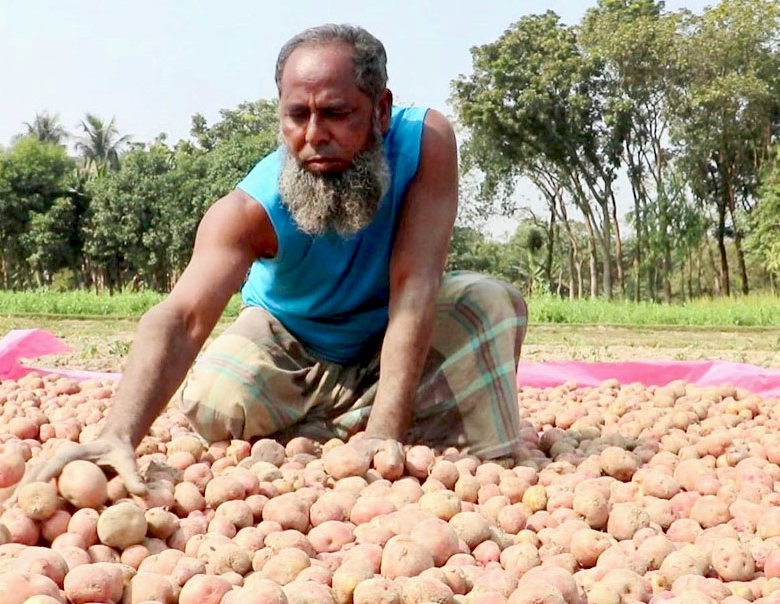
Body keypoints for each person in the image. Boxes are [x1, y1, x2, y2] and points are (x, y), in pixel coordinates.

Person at [28, 24, 528, 492]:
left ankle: (362, 423)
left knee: (487, 303)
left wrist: (384, 436)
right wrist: (118, 432)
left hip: (389, 338)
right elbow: (182, 316)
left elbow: (415, 283)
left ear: (379, 111)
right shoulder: (249, 211)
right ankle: (390, 419)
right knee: (214, 400)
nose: (313, 135)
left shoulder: (426, 143)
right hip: (290, 346)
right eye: (297, 115)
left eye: (336, 113)